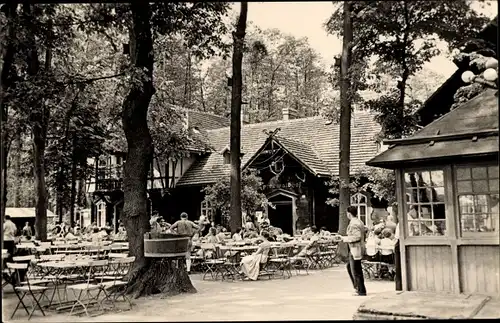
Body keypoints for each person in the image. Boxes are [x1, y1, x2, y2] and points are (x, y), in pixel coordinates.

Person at [342, 206, 367, 296]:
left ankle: (360, 290)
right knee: (350, 267)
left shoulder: (354, 223)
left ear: (349, 213)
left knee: (355, 270)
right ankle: (358, 287)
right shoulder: (359, 221)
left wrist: (345, 239)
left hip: (355, 248)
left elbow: (357, 236)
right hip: (357, 248)